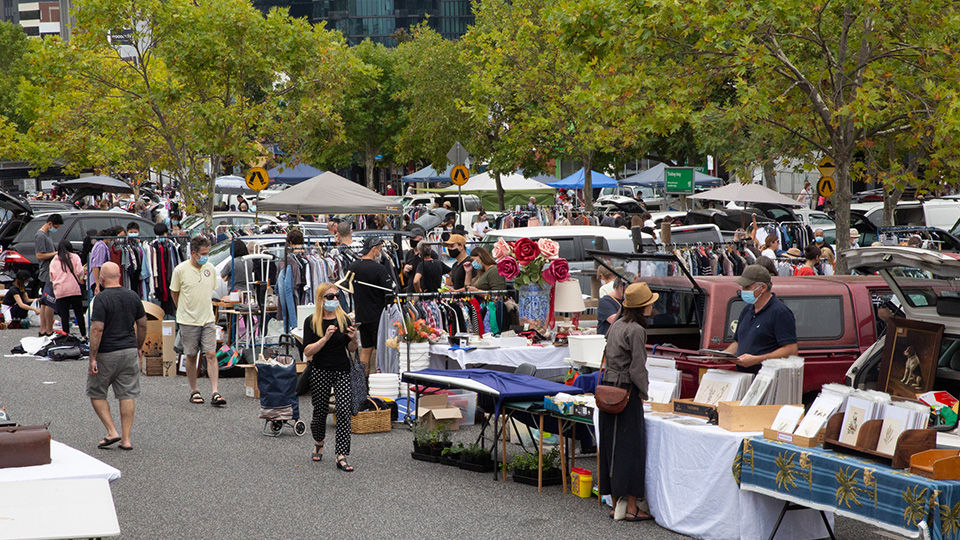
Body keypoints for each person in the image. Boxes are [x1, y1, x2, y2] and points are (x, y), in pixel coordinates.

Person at [599, 282, 658, 522]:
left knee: (611, 448)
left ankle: (616, 505)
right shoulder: (636, 330)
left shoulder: (617, 324)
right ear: (643, 306)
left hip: (608, 388)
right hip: (627, 391)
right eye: (650, 304)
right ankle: (632, 508)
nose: (652, 307)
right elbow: (637, 368)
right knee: (632, 450)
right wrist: (644, 394)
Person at [87, 262, 147, 451]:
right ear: (120, 275)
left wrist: (92, 357)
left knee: (96, 392)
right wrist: (138, 346)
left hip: (107, 352)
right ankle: (126, 439)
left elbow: (97, 329)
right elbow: (143, 324)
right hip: (129, 350)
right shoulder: (133, 296)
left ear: (102, 278)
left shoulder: (101, 299)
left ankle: (112, 431)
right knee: (127, 394)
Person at [303, 282, 359, 471]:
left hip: (342, 369)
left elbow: (351, 349)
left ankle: (341, 455)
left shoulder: (344, 319)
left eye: (337, 296)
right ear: (320, 299)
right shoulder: (312, 321)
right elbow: (308, 351)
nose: (334, 299)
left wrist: (354, 339)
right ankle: (319, 441)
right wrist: (325, 339)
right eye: (329, 297)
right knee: (320, 411)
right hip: (320, 369)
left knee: (343, 410)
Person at [170, 236, 224, 407]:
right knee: (191, 356)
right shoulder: (180, 270)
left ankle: (215, 391)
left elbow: (211, 290)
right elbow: (174, 292)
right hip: (188, 320)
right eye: (203, 254)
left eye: (207, 253)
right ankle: (194, 390)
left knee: (211, 354)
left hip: (207, 318)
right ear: (193, 254)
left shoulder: (210, 269)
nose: (206, 256)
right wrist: (182, 310)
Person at [721, 265, 798, 373]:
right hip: (745, 377)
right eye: (743, 287)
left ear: (763, 287)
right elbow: (738, 342)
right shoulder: (747, 310)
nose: (743, 291)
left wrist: (756, 360)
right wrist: (724, 355)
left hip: (766, 378)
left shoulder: (780, 312)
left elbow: (791, 350)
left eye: (747, 287)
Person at [348, 237, 393, 376]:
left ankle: (363, 384)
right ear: (373, 249)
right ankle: (377, 384)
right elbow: (389, 292)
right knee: (379, 351)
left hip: (361, 314)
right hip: (377, 316)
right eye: (379, 249)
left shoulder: (353, 266)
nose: (380, 252)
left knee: (366, 350)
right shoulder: (379, 268)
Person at [49, 240, 87, 338]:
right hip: (74, 289)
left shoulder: (55, 260)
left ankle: (66, 335)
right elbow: (79, 272)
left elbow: (52, 276)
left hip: (60, 291)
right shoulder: (74, 257)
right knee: (79, 313)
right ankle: (83, 334)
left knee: (64, 315)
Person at [35, 213, 63, 337]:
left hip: (49, 270)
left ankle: (45, 329)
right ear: (50, 223)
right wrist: (55, 253)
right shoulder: (40, 235)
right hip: (46, 272)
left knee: (45, 301)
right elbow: (39, 255)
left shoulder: (47, 234)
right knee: (49, 301)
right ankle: (47, 329)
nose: (56, 229)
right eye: (56, 227)